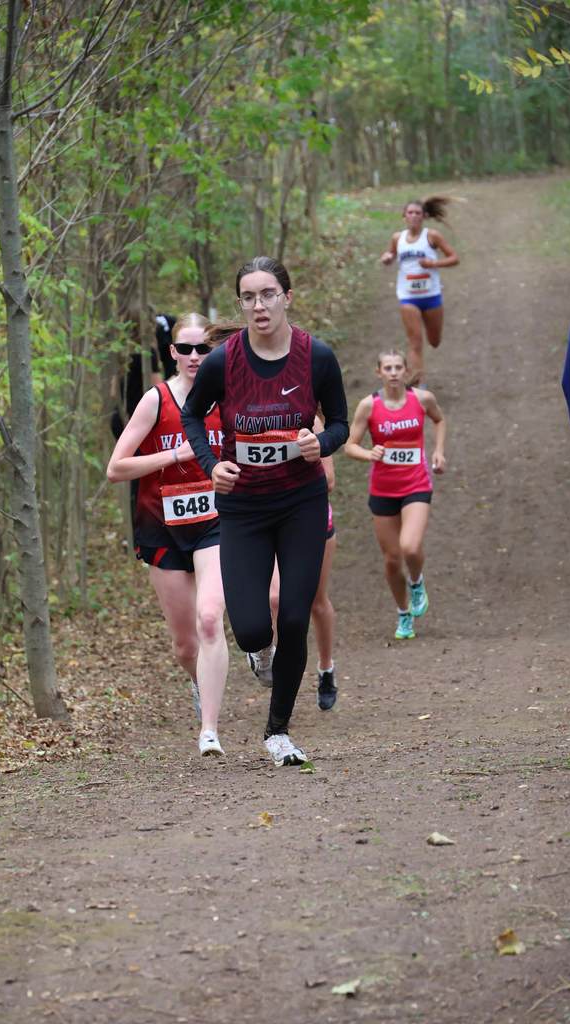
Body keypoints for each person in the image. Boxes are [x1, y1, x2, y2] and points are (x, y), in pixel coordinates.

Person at [181, 256, 348, 766]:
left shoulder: (315, 356)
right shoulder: (222, 362)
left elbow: (340, 422)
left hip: (301, 501)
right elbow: (193, 414)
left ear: (286, 297)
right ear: (241, 303)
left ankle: (278, 732)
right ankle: (259, 649)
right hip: (244, 508)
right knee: (253, 626)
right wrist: (212, 464)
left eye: (268, 294)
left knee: (294, 617)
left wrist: (321, 443)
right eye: (249, 297)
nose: (259, 305)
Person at [106, 312, 228, 757]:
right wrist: (172, 453)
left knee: (211, 618)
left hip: (217, 524)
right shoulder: (156, 401)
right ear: (172, 353)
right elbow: (116, 468)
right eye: (186, 349)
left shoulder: (226, 395)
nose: (195, 357)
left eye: (203, 349)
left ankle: (209, 730)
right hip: (161, 527)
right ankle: (199, 683)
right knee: (184, 644)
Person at [345, 348, 446, 640]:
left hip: (416, 483)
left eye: (397, 367)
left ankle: (416, 582)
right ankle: (404, 614)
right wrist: (368, 453)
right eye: (387, 368)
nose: (392, 372)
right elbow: (350, 445)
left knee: (410, 547)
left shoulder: (421, 399)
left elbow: (439, 420)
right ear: (378, 372)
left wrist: (438, 451)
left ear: (405, 371)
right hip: (383, 489)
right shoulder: (369, 406)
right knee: (391, 559)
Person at [255, 416, 338, 710]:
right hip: (267, 520)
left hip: (309, 520)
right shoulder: (250, 415)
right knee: (276, 598)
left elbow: (329, 479)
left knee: (316, 601)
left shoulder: (311, 421)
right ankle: (279, 676)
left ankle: (326, 669)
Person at [380, 197, 459, 385]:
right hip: (408, 297)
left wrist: (432, 263)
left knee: (434, 341)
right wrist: (387, 257)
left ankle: (418, 382)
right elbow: (391, 254)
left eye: (417, 213)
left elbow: (454, 258)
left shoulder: (432, 236)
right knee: (415, 343)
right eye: (410, 213)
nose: (414, 216)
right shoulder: (397, 238)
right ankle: (418, 386)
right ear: (404, 216)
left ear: (424, 216)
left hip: (431, 296)